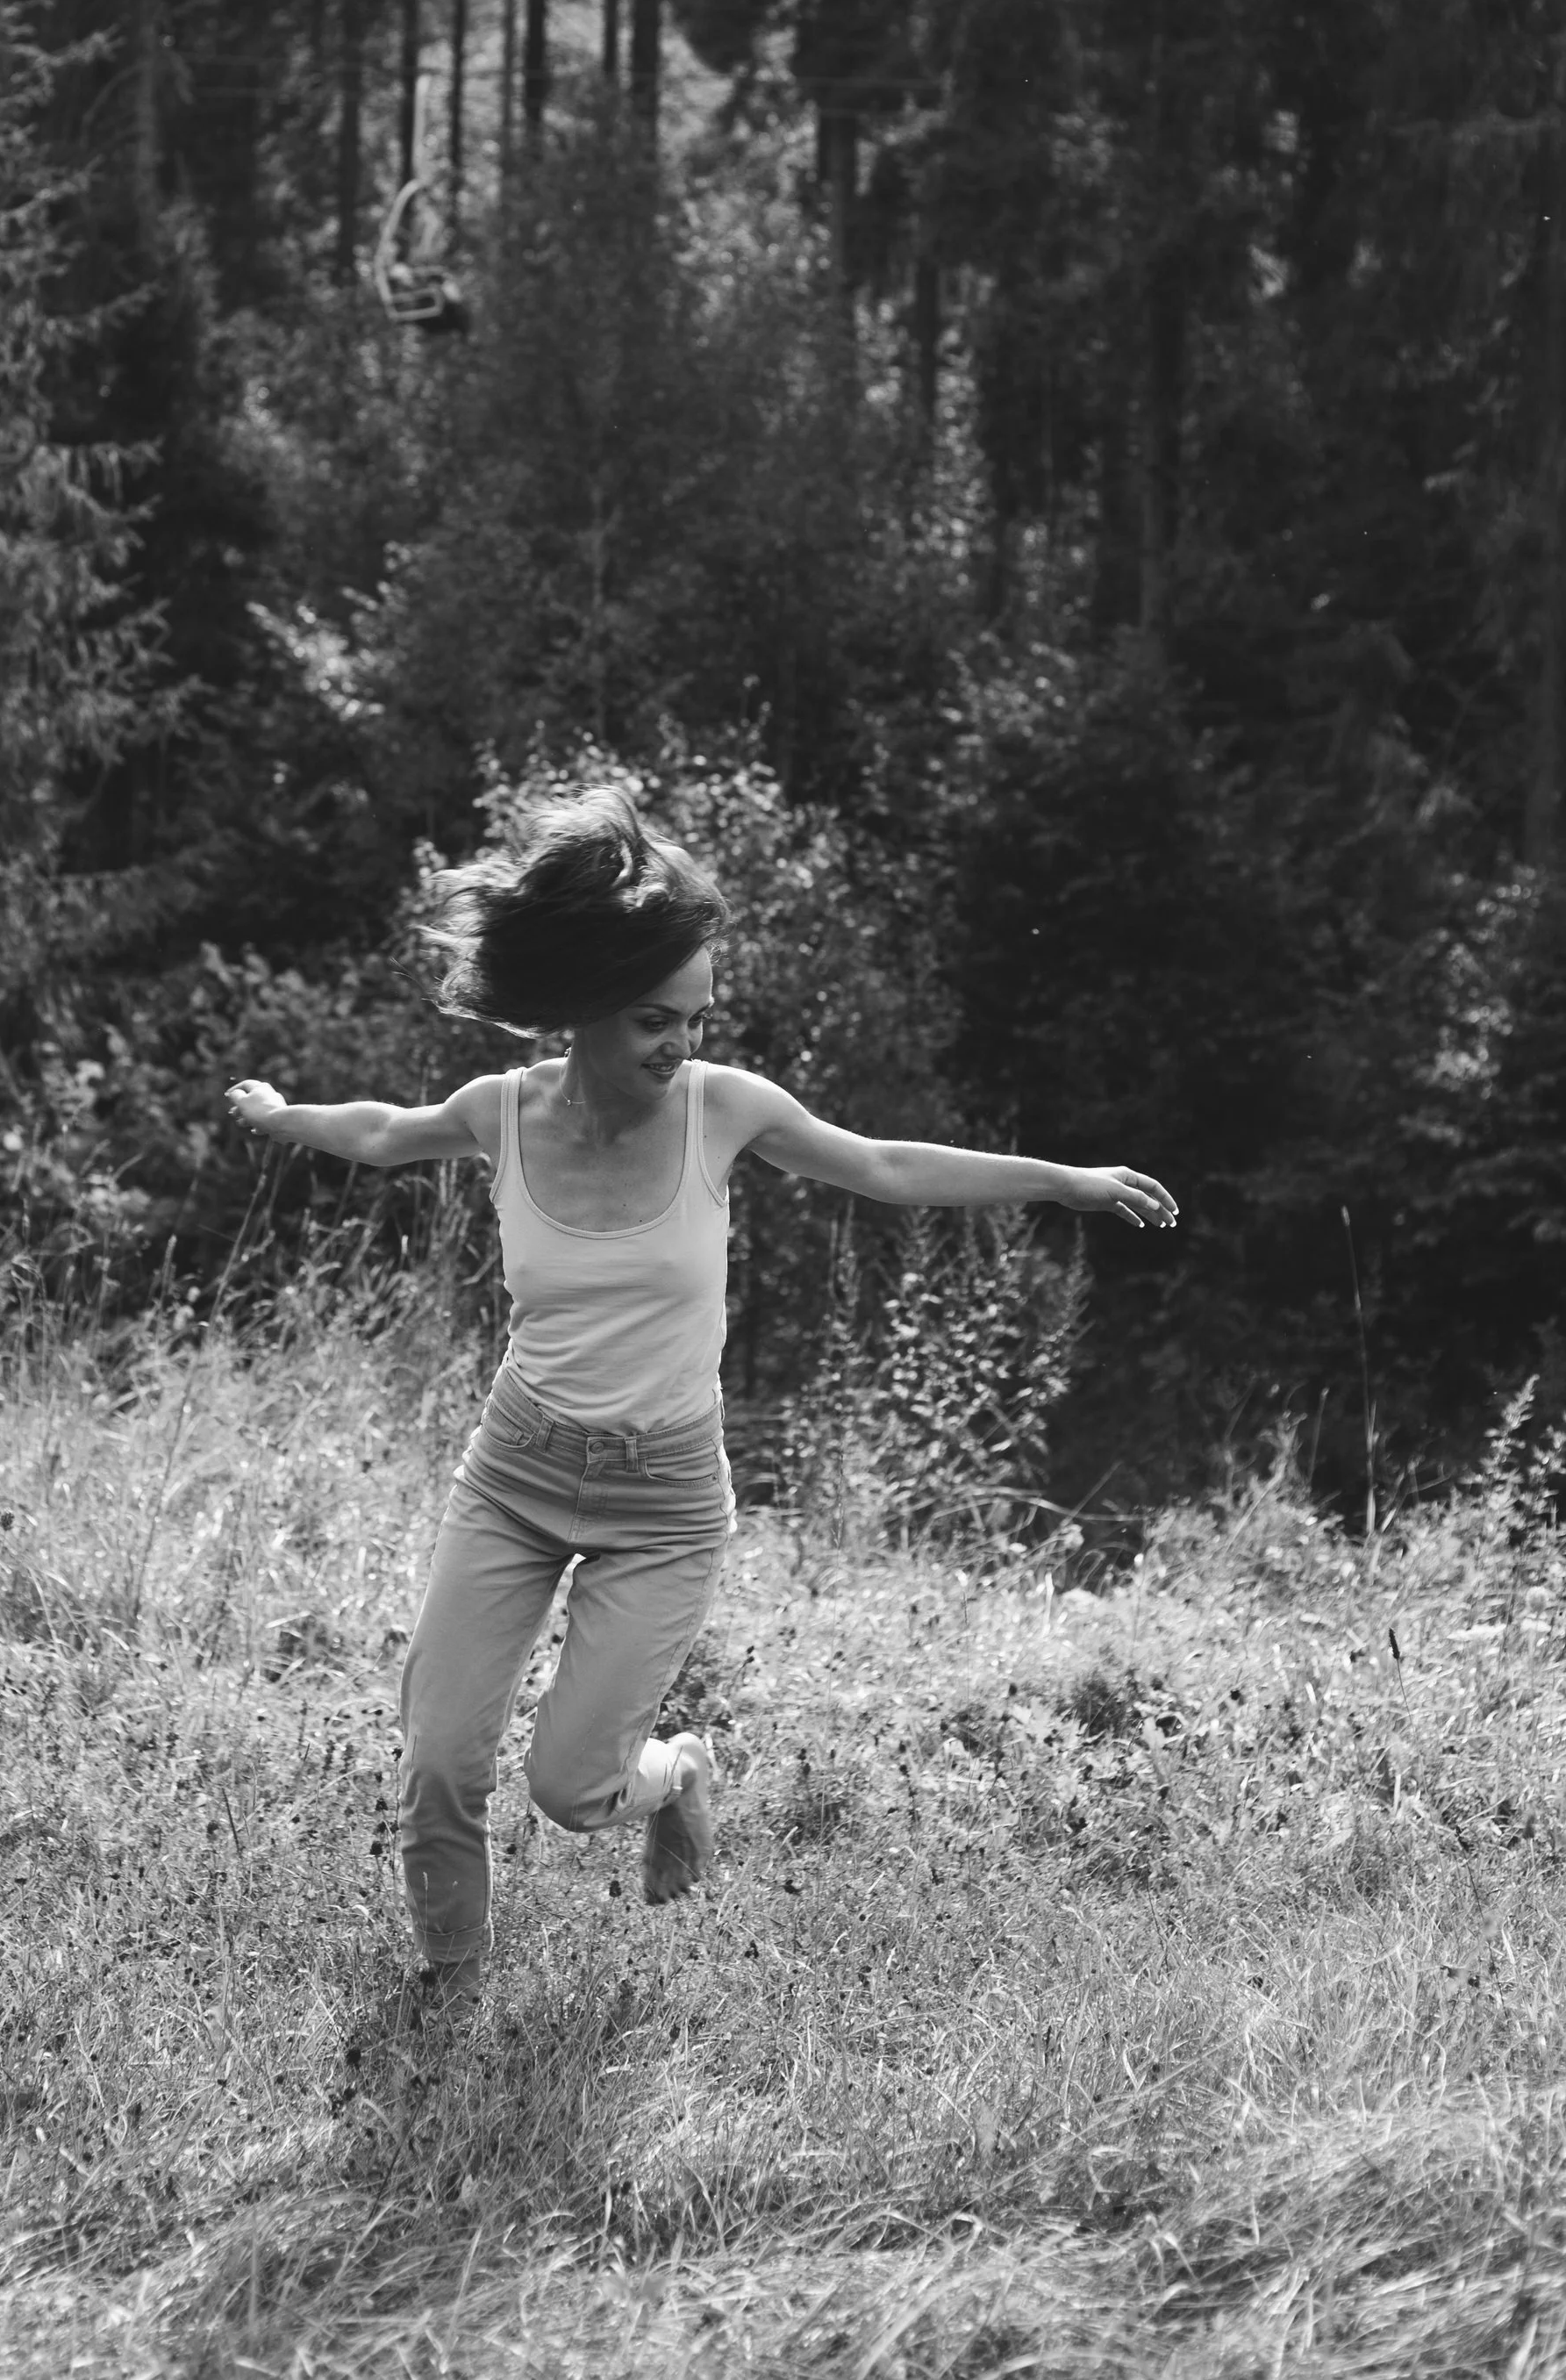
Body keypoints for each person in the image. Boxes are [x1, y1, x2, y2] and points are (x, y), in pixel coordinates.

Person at [225, 785, 1176, 2021]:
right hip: (514, 1476)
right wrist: (279, 1112)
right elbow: (382, 1130)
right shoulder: (499, 1112)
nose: (679, 1042)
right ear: (578, 1011)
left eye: (694, 1018)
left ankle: (675, 1776)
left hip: (664, 1503)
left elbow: (882, 1164)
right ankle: (449, 1991)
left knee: (573, 1789)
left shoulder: (726, 1110)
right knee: (440, 1760)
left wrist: (1067, 1179)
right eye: (651, 1019)